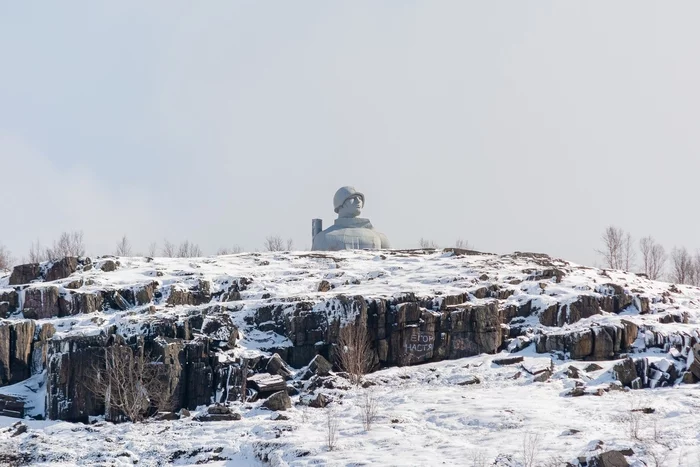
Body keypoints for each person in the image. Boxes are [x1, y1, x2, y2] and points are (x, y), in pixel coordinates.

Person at [311, 186, 391, 251]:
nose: (358, 201)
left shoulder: (379, 237)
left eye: (360, 198)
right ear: (340, 204)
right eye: (353, 198)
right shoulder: (323, 238)